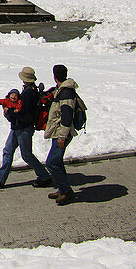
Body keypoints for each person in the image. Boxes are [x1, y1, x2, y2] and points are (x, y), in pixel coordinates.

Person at [0, 66, 51, 190]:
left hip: (23, 127)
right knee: (8, 151)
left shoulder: (28, 93)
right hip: (18, 127)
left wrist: (9, 113)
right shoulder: (29, 90)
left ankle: (44, 176)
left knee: (26, 155)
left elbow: (24, 113)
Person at [44, 64, 83, 205]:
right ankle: (62, 189)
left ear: (54, 76)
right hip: (59, 132)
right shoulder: (62, 90)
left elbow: (66, 117)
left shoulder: (66, 93)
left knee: (52, 162)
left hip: (62, 133)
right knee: (57, 161)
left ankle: (66, 191)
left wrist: (62, 137)